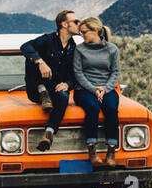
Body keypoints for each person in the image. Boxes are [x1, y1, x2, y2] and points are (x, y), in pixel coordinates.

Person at [20, 10, 80, 151]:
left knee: (64, 96)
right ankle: (42, 91)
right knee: (32, 56)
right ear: (64, 24)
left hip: (55, 89)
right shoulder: (48, 39)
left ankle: (49, 133)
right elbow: (25, 47)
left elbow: (75, 74)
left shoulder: (74, 48)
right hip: (35, 89)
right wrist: (40, 62)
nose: (79, 25)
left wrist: (67, 84)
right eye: (76, 22)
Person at [72, 16, 121, 165]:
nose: (81, 35)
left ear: (95, 31)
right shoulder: (79, 49)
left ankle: (111, 151)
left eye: (84, 32)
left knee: (111, 108)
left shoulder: (112, 49)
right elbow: (78, 73)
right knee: (92, 107)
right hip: (84, 89)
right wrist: (94, 90)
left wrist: (105, 89)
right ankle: (91, 149)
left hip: (107, 89)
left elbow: (115, 72)